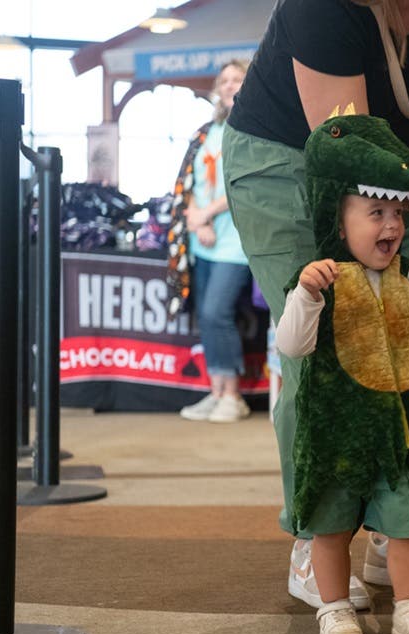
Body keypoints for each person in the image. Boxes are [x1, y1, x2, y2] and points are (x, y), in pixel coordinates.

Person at [222, 0, 409, 610]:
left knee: (398, 342)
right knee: (320, 343)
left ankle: (389, 526)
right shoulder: (324, 7)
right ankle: (313, 536)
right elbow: (342, 145)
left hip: (397, 173)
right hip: (285, 163)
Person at [275, 113, 409, 634]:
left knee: (407, 525)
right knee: (329, 528)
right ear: (339, 223)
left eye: (396, 213)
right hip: (335, 437)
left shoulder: (406, 278)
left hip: (394, 436)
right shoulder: (322, 278)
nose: (389, 225)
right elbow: (292, 345)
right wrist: (307, 295)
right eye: (374, 212)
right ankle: (334, 609)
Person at [172, 59, 253, 424]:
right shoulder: (208, 130)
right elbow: (186, 179)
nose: (230, 85)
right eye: (225, 80)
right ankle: (216, 390)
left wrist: (208, 214)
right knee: (205, 316)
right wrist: (194, 216)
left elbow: (246, 184)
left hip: (234, 242)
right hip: (203, 239)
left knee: (216, 313)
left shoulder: (252, 130)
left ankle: (233, 396)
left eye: (238, 79)